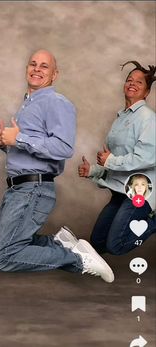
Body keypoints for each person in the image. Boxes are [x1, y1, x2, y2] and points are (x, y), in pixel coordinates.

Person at [0, 49, 114, 283]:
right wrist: (6, 143)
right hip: (17, 189)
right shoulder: (29, 104)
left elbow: (63, 148)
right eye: (33, 64)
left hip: (33, 190)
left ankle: (79, 260)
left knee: (4, 257)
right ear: (26, 69)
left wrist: (18, 139)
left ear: (54, 75)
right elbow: (31, 149)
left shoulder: (56, 102)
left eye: (44, 66)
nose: (36, 69)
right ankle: (60, 243)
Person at [78, 61, 156, 255]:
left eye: (139, 82)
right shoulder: (121, 118)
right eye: (129, 80)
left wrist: (110, 160)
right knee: (97, 243)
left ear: (146, 92)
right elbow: (115, 160)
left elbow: (145, 159)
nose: (132, 83)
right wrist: (94, 170)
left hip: (140, 191)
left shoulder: (148, 118)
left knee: (115, 245)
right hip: (120, 189)